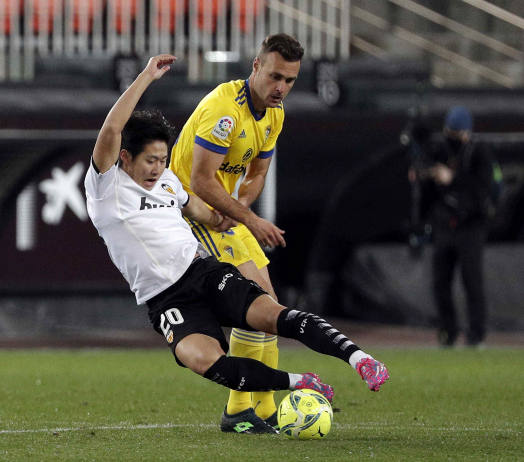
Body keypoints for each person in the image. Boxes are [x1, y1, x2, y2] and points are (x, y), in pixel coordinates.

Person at [84, 54, 389, 434]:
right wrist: (146, 76)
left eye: (163, 160)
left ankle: (359, 358)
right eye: (150, 161)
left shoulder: (166, 182)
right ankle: (299, 382)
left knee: (273, 314)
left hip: (203, 273)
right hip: (166, 300)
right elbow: (111, 131)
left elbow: (196, 207)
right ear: (125, 158)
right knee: (207, 363)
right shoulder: (105, 187)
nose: (157, 169)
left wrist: (224, 218)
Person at [169, 33, 301, 431]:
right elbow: (201, 180)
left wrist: (243, 206)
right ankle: (237, 409)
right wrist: (249, 218)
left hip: (226, 215)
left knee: (270, 308)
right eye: (275, 76)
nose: (281, 88)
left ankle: (261, 410)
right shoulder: (224, 109)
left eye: (290, 80)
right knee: (252, 306)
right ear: (256, 67)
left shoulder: (274, 114)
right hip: (192, 214)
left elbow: (257, 173)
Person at [408, 106, 494, 347]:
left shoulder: (478, 152)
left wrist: (452, 179)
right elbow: (422, 166)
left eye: (458, 134)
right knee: (440, 282)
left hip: (471, 226)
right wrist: (424, 174)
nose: (454, 139)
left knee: (472, 281)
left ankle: (476, 335)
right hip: (445, 225)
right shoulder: (440, 148)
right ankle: (448, 332)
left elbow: (482, 192)